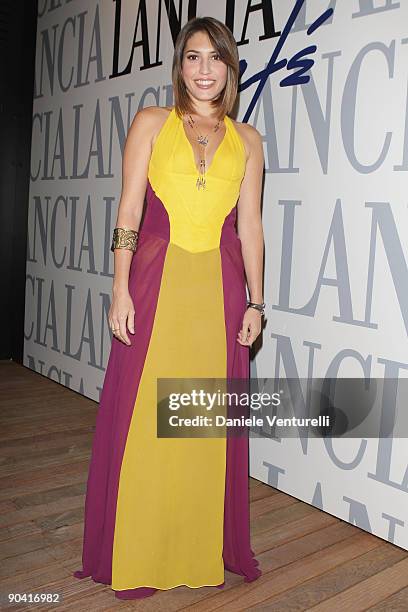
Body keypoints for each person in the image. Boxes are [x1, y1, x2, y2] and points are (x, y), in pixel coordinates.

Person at [73, 15, 265, 600]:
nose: (205, 69)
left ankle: (195, 546)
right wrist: (119, 287)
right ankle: (141, 548)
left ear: (231, 68)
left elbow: (251, 227)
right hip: (157, 287)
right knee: (146, 426)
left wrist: (258, 301)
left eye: (216, 58)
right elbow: (129, 211)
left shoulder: (249, 140)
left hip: (220, 291)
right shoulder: (152, 123)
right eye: (193, 57)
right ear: (180, 66)